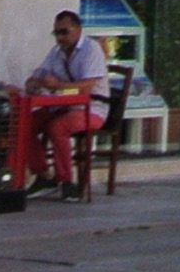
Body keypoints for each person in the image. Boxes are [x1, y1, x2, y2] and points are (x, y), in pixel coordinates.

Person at [17, 10, 111, 199]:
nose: (60, 38)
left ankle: (66, 181)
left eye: (64, 32)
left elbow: (86, 88)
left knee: (57, 127)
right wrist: (34, 82)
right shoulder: (56, 52)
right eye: (56, 33)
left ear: (78, 30)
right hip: (62, 105)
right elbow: (41, 73)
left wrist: (59, 87)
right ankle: (42, 174)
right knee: (22, 123)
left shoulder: (91, 50)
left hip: (92, 108)